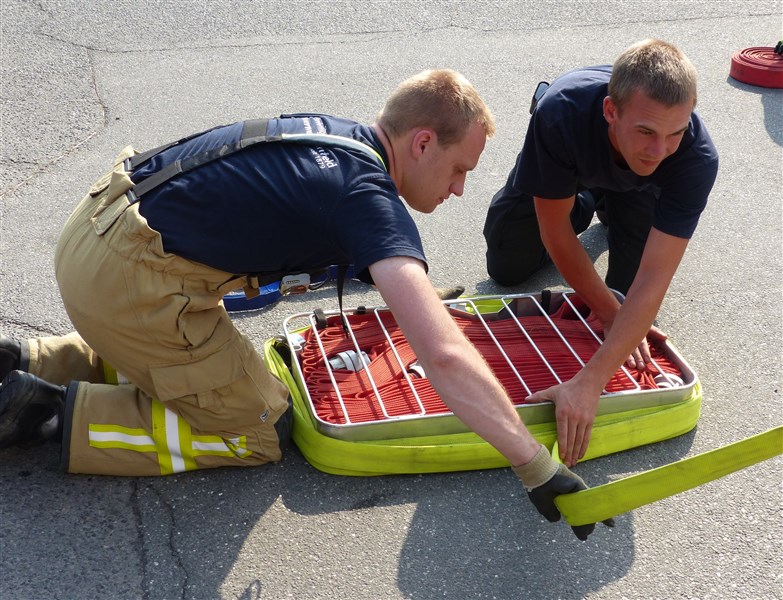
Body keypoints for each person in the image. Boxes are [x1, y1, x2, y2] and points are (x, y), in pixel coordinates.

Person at [0, 69, 611, 540]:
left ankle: (29, 358)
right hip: (131, 282)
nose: (458, 189)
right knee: (261, 425)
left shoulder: (334, 137)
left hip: (96, 227)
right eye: (459, 169)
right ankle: (43, 414)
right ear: (423, 142)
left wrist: (414, 296)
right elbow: (445, 357)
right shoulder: (366, 197)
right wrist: (535, 466)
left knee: (198, 360)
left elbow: (297, 228)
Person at [483, 40, 719, 468]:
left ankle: (612, 198)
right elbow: (555, 233)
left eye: (675, 133)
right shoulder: (560, 115)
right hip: (571, 154)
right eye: (647, 131)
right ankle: (587, 196)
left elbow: (654, 279)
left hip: (641, 186)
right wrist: (610, 314)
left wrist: (588, 383)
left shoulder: (694, 157)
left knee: (625, 294)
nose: (660, 148)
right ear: (611, 111)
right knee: (507, 264)